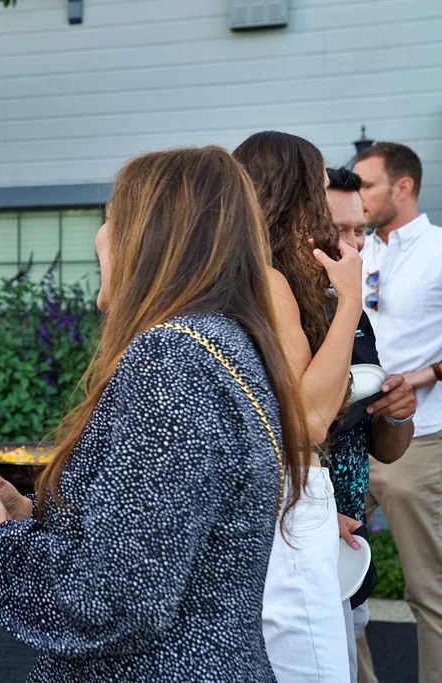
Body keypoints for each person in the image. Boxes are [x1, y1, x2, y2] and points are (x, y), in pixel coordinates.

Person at [0, 146, 308, 681]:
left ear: (148, 237)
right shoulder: (227, 345)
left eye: (109, 218)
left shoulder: (171, 359)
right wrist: (29, 516)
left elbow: (119, 599)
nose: (99, 237)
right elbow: (160, 532)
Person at [233, 130, 359, 682]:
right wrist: (351, 300)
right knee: (312, 668)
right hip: (285, 499)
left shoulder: (239, 275)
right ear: (293, 194)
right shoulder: (269, 279)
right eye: (319, 188)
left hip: (265, 497)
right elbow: (306, 421)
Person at [354, 142, 442, 683]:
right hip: (348, 439)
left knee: (429, 590)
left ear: (402, 186)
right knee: (337, 583)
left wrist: (424, 376)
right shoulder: (357, 249)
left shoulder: (438, 248)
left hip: (422, 440)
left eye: (366, 184)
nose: (357, 195)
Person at [325, 165, 415, 682]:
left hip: (345, 535)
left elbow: (385, 447)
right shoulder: (274, 311)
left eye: (359, 230)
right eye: (339, 230)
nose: (354, 245)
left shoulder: (351, 309)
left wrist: (399, 411)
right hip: (299, 538)